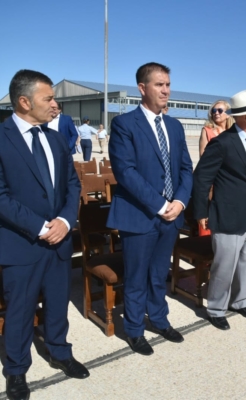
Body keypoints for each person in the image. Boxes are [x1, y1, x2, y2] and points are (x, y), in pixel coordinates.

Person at [0, 70, 88, 400]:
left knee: (57, 303)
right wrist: (39, 227)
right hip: (21, 242)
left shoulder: (54, 138)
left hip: (60, 239)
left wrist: (65, 221)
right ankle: (16, 369)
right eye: (48, 98)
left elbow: (72, 185)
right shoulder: (1, 138)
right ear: (24, 102)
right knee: (20, 309)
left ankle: (59, 352)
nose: (55, 104)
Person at [107, 62, 193, 355]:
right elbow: (126, 172)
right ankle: (133, 329)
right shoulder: (124, 125)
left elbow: (185, 169)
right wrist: (160, 204)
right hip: (140, 215)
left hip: (171, 216)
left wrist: (179, 202)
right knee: (137, 276)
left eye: (168, 84)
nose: (166, 90)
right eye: (159, 85)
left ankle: (159, 319)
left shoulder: (174, 125)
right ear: (142, 88)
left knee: (159, 274)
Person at [193, 90, 246, 330]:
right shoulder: (222, 143)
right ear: (245, 117)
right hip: (226, 214)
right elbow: (202, 179)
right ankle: (216, 308)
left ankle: (240, 300)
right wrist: (201, 213)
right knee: (224, 265)